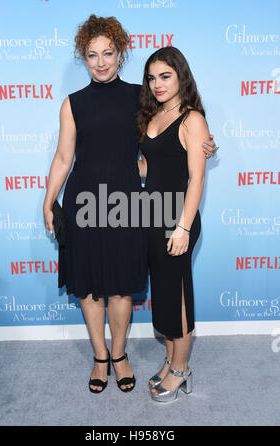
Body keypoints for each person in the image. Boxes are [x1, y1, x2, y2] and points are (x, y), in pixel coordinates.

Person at [43, 15, 217, 395]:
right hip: (84, 203)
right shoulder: (72, 104)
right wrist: (48, 200)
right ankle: (100, 357)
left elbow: (169, 141)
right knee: (89, 288)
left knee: (121, 287)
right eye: (92, 55)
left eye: (108, 53)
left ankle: (120, 356)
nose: (101, 61)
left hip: (128, 204)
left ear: (120, 54)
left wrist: (205, 146)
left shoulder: (142, 97)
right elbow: (62, 158)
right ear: (83, 58)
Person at [138, 46, 213, 402]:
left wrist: (183, 228)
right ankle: (170, 360)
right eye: (152, 78)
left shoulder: (192, 119)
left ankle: (182, 371)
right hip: (151, 216)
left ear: (181, 75)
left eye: (165, 76)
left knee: (178, 295)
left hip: (177, 220)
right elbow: (150, 168)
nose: (157, 84)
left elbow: (196, 178)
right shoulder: (153, 115)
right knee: (165, 296)